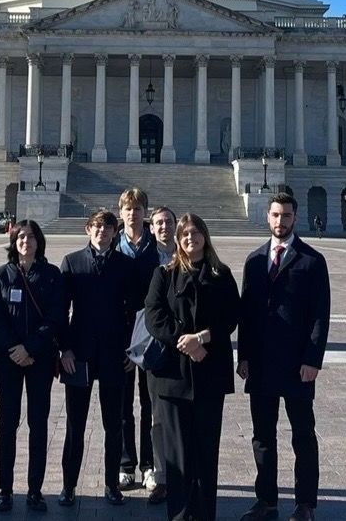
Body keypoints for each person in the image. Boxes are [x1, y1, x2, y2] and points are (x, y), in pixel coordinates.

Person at [236, 193, 331, 521]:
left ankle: (305, 503)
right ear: (268, 217)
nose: (281, 221)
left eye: (286, 216)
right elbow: (246, 313)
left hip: (297, 365)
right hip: (261, 364)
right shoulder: (254, 259)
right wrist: (243, 356)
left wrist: (313, 359)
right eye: (276, 215)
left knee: (303, 435)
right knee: (263, 437)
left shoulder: (312, 260)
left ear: (295, 217)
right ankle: (266, 501)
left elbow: (321, 315)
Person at [147, 214, 240, 521]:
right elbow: (153, 316)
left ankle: (204, 515)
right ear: (178, 239)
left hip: (209, 372)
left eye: (195, 233)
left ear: (205, 236)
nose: (190, 238)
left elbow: (232, 316)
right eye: (185, 234)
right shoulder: (165, 273)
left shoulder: (221, 273)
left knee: (206, 450)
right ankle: (180, 515)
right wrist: (184, 341)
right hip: (174, 376)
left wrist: (203, 337)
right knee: (177, 455)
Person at [59, 208, 140, 506]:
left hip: (114, 355)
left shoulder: (125, 265)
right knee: (74, 425)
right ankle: (68, 486)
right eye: (97, 226)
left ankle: (111, 485)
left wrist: (133, 350)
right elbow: (61, 311)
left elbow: (135, 312)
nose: (102, 231)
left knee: (114, 424)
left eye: (108, 227)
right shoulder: (71, 262)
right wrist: (64, 348)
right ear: (87, 229)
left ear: (114, 232)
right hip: (78, 355)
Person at [0, 219, 67, 513]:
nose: (26, 242)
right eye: (21, 237)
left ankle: (35, 489)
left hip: (40, 358)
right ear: (14, 241)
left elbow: (57, 316)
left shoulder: (52, 274)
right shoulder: (1, 275)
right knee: (7, 422)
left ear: (39, 242)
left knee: (38, 423)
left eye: (31, 237)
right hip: (9, 359)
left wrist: (31, 348)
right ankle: (5, 489)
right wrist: (15, 348)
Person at [115, 188, 161, 495]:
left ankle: (148, 465)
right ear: (121, 213)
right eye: (128, 209)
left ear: (146, 213)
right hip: (119, 334)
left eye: (138, 208)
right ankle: (124, 463)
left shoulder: (157, 247)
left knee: (149, 403)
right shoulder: (110, 244)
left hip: (150, 335)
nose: (133, 213)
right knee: (121, 404)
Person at [142, 204, 178, 506]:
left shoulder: (192, 251)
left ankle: (187, 473)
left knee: (186, 413)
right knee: (156, 414)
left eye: (168, 222)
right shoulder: (143, 259)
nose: (164, 227)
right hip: (157, 347)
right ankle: (162, 475)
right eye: (158, 223)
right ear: (151, 227)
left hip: (186, 349)